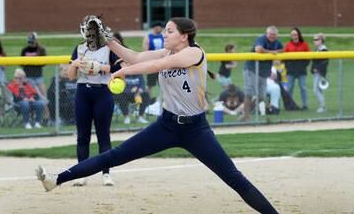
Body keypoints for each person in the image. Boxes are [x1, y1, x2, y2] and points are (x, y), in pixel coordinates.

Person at [36, 17, 279, 214]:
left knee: (233, 177)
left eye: (170, 31)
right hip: (166, 125)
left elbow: (153, 67)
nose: (165, 34)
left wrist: (124, 72)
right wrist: (107, 40)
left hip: (196, 130)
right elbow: (135, 57)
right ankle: (56, 179)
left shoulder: (194, 53)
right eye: (164, 31)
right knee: (115, 155)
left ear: (184, 36)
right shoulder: (166, 52)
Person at [66, 15, 122, 187]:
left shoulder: (108, 48)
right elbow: (70, 76)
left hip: (102, 93)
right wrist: (74, 64)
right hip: (83, 92)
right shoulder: (80, 48)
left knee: (103, 135)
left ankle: (106, 174)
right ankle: (81, 174)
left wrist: (101, 68)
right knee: (82, 136)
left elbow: (119, 70)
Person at [240, 26, 283, 121]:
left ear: (276, 35)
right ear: (266, 34)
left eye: (274, 35)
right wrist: (272, 52)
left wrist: (276, 52)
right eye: (270, 34)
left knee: (261, 96)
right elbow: (258, 49)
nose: (272, 36)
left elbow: (282, 49)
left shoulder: (277, 42)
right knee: (249, 93)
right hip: (252, 69)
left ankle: (245, 111)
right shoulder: (261, 39)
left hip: (264, 72)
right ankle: (246, 115)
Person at [21, 32, 50, 122]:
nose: (31, 44)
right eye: (30, 42)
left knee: (43, 97)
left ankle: (47, 117)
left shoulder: (40, 50)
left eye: (32, 41)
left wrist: (33, 61)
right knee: (31, 98)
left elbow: (44, 62)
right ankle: (32, 117)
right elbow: (21, 62)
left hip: (38, 77)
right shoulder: (25, 50)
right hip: (28, 78)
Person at [284, 27, 310, 110]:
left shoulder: (304, 44)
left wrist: (304, 65)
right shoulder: (288, 45)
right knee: (289, 88)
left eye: (295, 34)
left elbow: (309, 56)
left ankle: (305, 105)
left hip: (301, 70)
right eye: (292, 35)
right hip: (291, 70)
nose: (294, 36)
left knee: (303, 88)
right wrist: (287, 66)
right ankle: (289, 105)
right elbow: (284, 57)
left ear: (298, 35)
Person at [142, 21, 164, 93]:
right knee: (150, 84)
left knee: (163, 84)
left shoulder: (163, 36)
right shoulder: (148, 37)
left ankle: (163, 102)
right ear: (155, 28)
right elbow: (145, 50)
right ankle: (148, 99)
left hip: (162, 63)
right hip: (152, 63)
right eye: (159, 27)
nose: (161, 29)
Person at [311, 33, 329, 113]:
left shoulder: (324, 49)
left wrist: (318, 69)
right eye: (314, 40)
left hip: (320, 73)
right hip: (317, 72)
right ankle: (323, 106)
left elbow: (324, 62)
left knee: (316, 90)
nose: (314, 41)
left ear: (321, 40)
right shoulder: (317, 49)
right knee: (319, 90)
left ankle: (322, 107)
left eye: (316, 39)